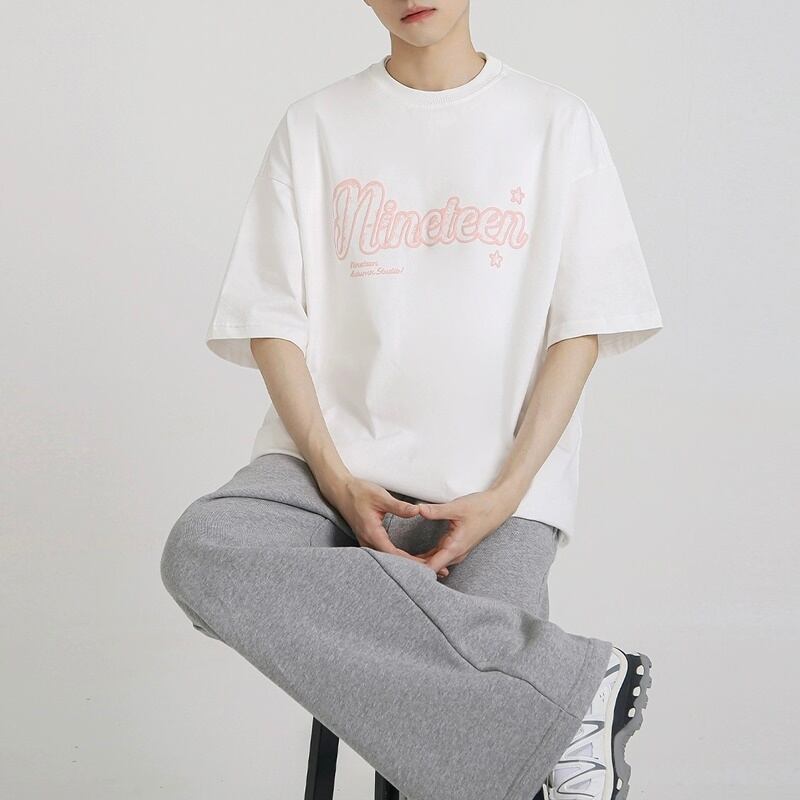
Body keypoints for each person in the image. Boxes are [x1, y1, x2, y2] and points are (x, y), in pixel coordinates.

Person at [159, 2, 663, 799]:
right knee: (205, 550)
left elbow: (583, 329)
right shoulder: (315, 126)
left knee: (464, 732)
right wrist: (336, 479)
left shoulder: (555, 123)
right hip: (325, 473)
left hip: (497, 488)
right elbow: (271, 322)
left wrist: (505, 495)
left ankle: (550, 706)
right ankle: (579, 686)